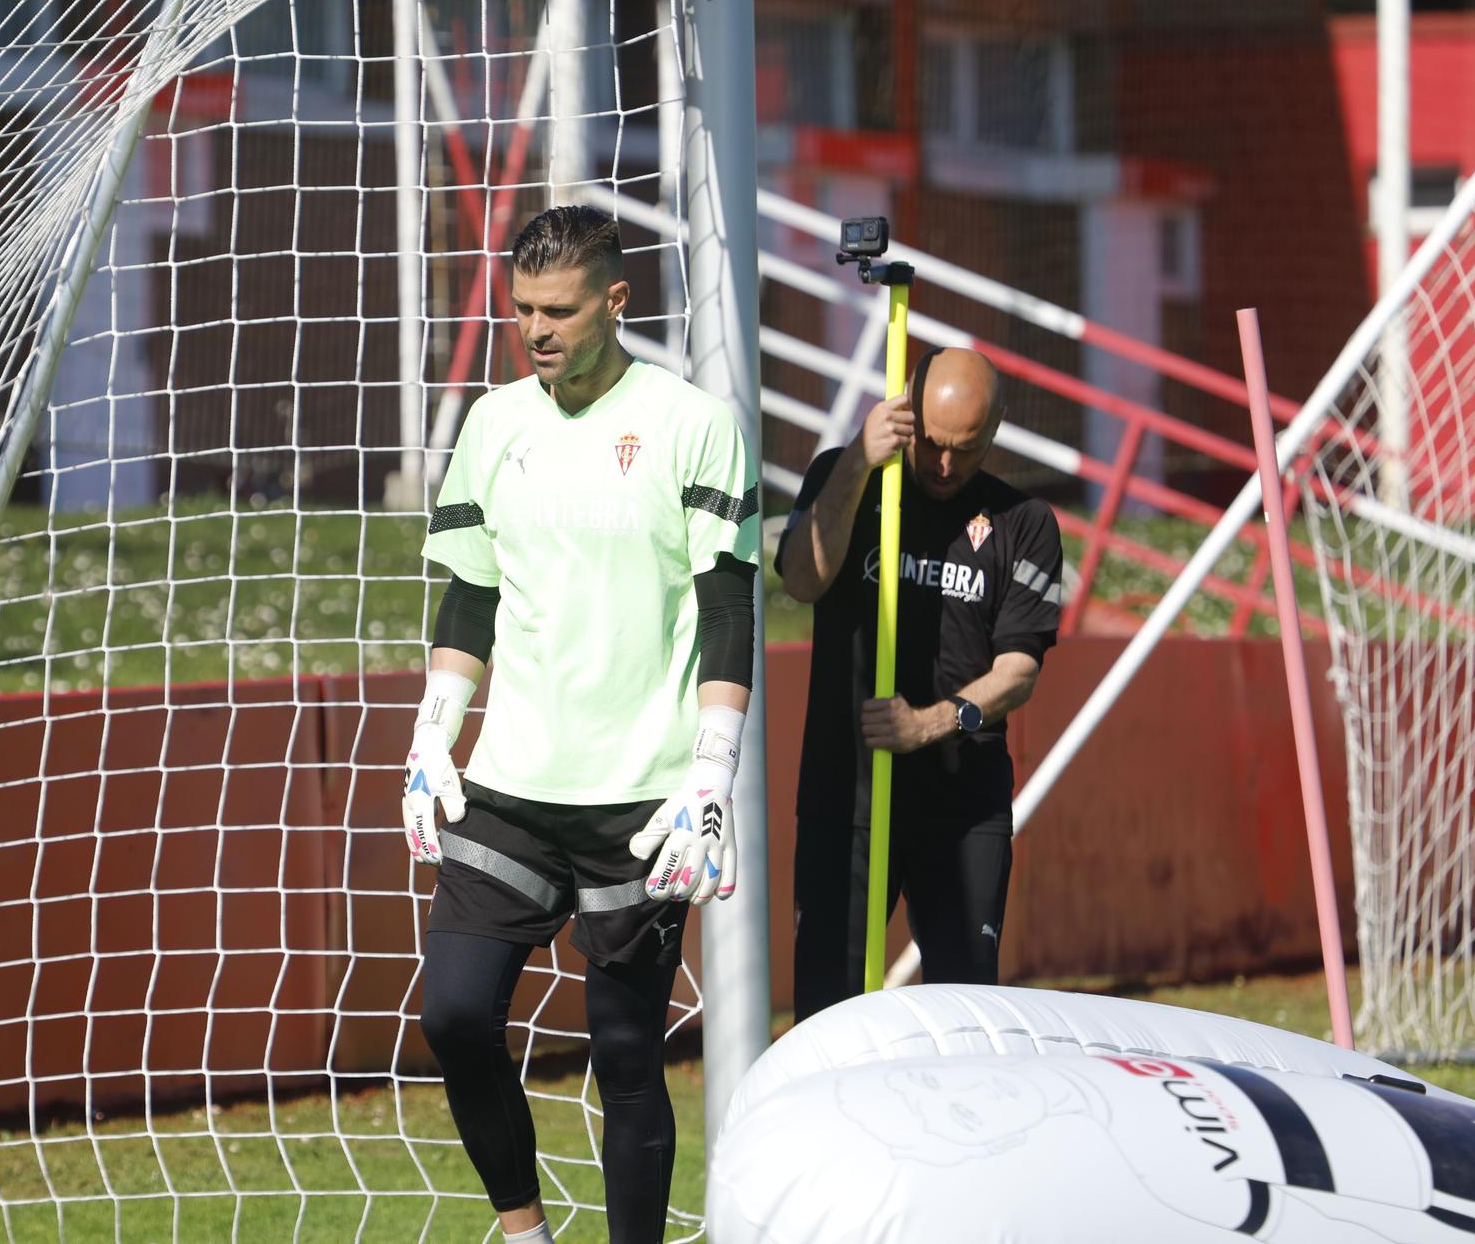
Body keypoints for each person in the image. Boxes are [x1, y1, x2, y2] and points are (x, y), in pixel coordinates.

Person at [403, 204, 759, 1244]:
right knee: (456, 1016)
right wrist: (433, 733)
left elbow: (728, 603)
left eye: (559, 309)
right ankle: (523, 1232)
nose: (537, 330)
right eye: (522, 310)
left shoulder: (693, 423)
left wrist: (711, 769)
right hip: (508, 788)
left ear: (616, 300)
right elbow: (469, 596)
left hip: (641, 801)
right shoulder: (492, 423)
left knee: (625, 1055)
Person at [776, 346, 1062, 1021]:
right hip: (846, 797)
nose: (943, 465)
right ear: (906, 413)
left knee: (964, 1011)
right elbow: (800, 579)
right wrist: (857, 460)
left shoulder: (1024, 523)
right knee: (827, 1012)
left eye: (965, 449)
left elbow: (1018, 671)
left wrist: (929, 723)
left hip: (962, 807)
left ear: (996, 429)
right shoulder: (846, 478)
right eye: (932, 443)